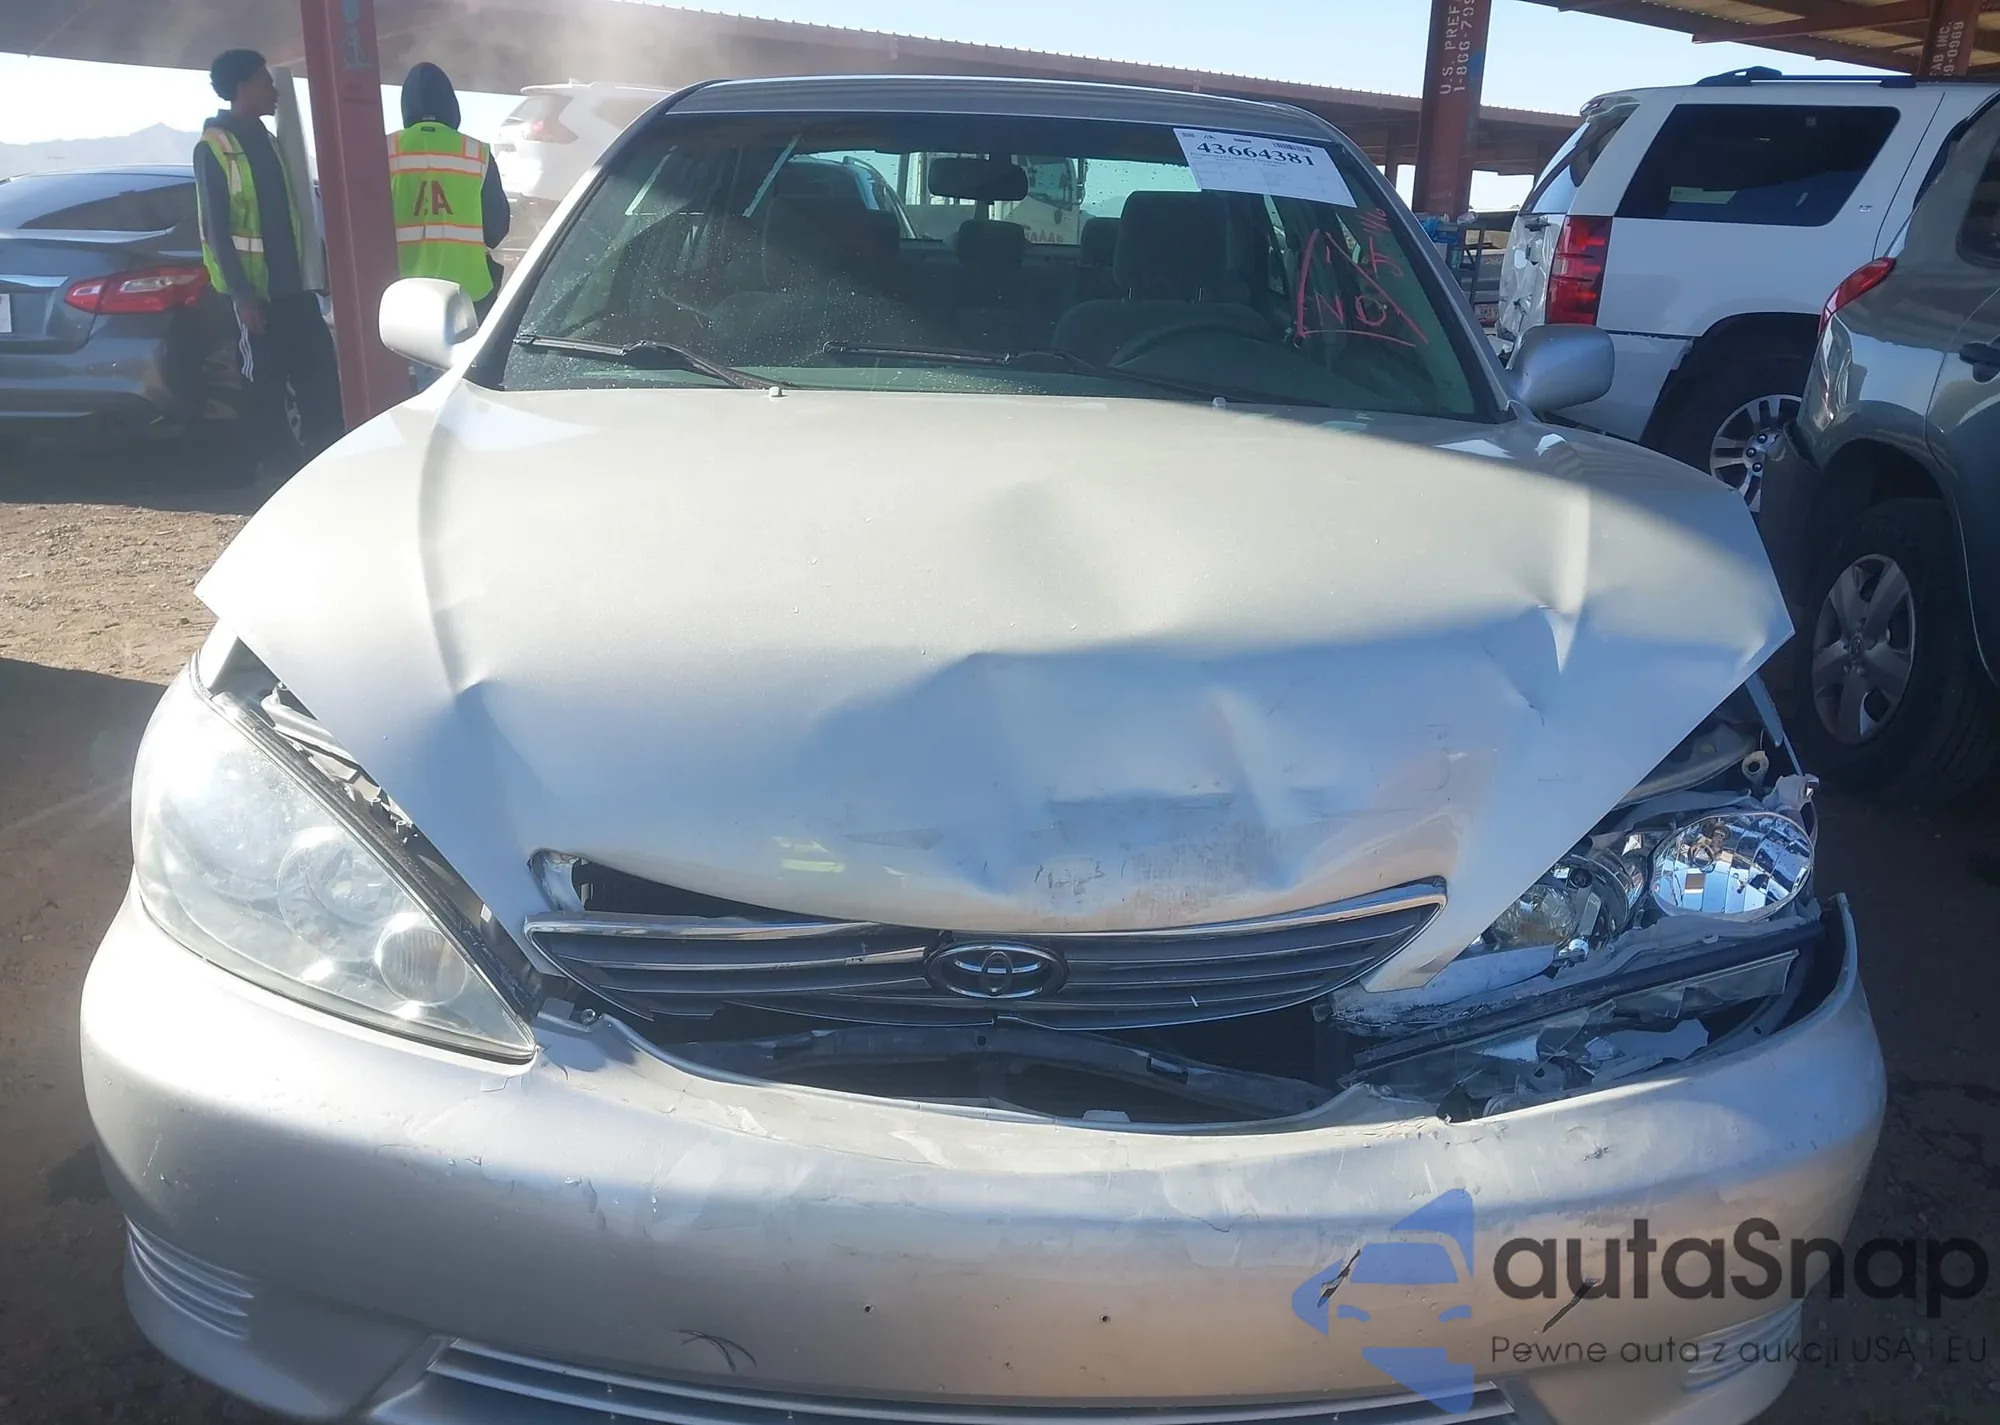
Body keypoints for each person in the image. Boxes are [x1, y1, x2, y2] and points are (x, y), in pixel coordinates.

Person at [194, 49, 343, 480]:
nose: (274, 91)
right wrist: (242, 296)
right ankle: (275, 475)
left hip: (296, 290)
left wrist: (319, 262)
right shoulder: (214, 148)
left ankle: (325, 467)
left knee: (320, 380)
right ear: (243, 88)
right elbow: (216, 229)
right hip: (258, 298)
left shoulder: (273, 141)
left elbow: (296, 211)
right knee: (264, 388)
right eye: (265, 82)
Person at [390, 63, 511, 321]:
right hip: (468, 297)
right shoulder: (477, 153)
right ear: (451, 105)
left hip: (400, 295)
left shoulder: (385, 150)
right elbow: (496, 231)